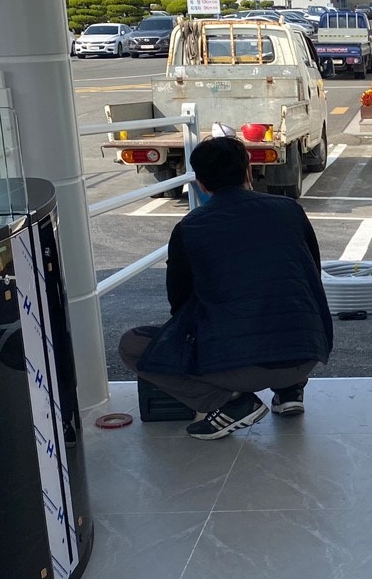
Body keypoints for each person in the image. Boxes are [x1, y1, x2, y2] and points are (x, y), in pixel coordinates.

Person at [120, 136, 334, 440]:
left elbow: (179, 302)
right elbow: (311, 274)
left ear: (200, 183)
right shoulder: (290, 211)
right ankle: (290, 390)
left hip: (236, 368)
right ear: (248, 172)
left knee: (131, 344)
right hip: (306, 354)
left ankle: (230, 403)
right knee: (284, 298)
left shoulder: (190, 228)